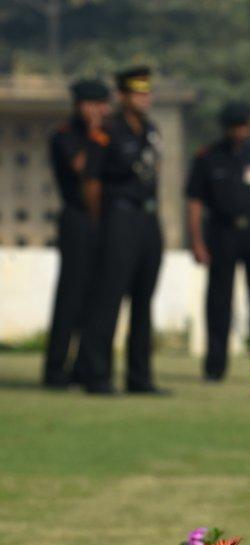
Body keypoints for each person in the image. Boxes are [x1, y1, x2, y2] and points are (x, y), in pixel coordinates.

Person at [76, 66, 166, 395]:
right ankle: (96, 375)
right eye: (138, 92)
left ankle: (139, 377)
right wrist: (101, 221)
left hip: (147, 219)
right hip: (119, 217)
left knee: (144, 299)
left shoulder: (151, 131)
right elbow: (91, 182)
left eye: (147, 92)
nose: (145, 98)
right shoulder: (108, 132)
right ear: (122, 96)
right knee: (108, 298)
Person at [186, 101, 250, 382]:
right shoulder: (208, 157)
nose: (241, 132)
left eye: (244, 126)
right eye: (236, 127)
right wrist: (197, 242)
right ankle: (214, 368)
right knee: (218, 302)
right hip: (222, 232)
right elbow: (194, 202)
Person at [42, 79, 112, 389]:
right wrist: (97, 135)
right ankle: (55, 368)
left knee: (96, 297)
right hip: (77, 217)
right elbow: (82, 167)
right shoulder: (65, 135)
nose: (98, 110)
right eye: (92, 104)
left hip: (104, 219)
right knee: (70, 296)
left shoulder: (108, 136)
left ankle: (86, 366)